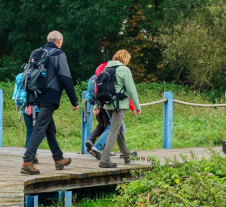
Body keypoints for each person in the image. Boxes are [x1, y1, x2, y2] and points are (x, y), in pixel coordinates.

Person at [21, 31, 79, 174]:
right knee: (40, 127)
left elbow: (29, 75)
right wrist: (75, 101)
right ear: (59, 41)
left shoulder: (36, 52)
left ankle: (58, 158)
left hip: (36, 94)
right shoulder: (58, 54)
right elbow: (65, 78)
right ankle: (27, 161)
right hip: (49, 95)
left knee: (49, 128)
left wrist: (29, 100)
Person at [98, 50, 142, 169]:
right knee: (114, 130)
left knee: (119, 128)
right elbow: (131, 89)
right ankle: (105, 159)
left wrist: (98, 105)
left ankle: (126, 154)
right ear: (125, 58)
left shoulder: (106, 68)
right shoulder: (124, 70)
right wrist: (137, 107)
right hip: (119, 104)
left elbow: (100, 88)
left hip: (107, 104)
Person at [85, 60, 136, 160]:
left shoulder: (96, 76)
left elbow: (94, 91)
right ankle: (99, 149)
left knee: (108, 126)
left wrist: (96, 105)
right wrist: (134, 107)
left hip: (100, 104)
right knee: (112, 128)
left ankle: (124, 153)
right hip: (110, 105)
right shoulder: (115, 72)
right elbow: (125, 91)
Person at [12, 72, 40, 165]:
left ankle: (28, 154)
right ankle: (31, 154)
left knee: (29, 131)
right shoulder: (38, 73)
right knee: (42, 131)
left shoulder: (21, 75)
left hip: (24, 106)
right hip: (37, 108)